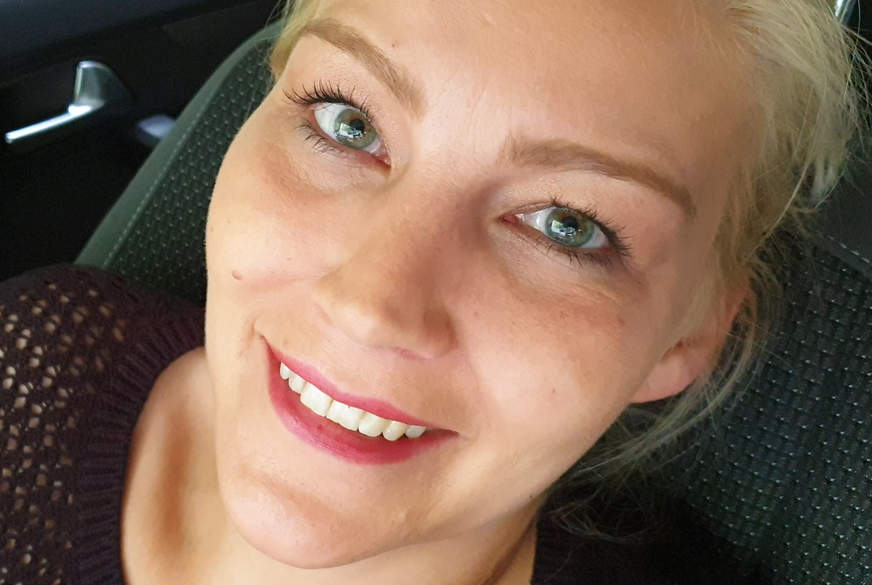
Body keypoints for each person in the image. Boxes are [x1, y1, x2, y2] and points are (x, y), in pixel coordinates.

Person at [0, 0, 863, 583]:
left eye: (566, 223)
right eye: (349, 122)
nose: (369, 306)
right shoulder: (35, 355)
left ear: (688, 334)